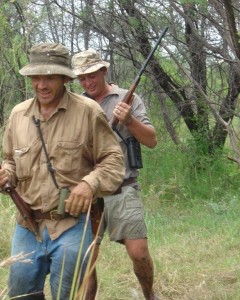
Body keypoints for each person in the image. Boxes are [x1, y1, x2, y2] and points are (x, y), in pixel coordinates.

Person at [0, 43, 125, 300]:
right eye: (36, 77)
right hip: (27, 224)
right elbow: (10, 160)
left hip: (72, 224)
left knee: (67, 295)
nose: (42, 85)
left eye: (50, 78)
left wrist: (89, 184)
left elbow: (113, 160)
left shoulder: (88, 112)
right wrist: (6, 174)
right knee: (20, 295)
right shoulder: (18, 115)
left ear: (65, 78)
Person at [72, 49, 158, 300]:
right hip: (86, 190)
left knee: (139, 252)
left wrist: (130, 120)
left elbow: (151, 140)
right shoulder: (76, 105)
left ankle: (149, 294)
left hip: (123, 185)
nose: (88, 82)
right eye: (82, 78)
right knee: (85, 256)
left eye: (92, 75)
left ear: (103, 71)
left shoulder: (128, 99)